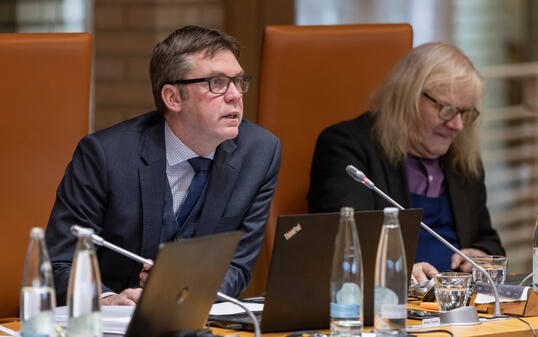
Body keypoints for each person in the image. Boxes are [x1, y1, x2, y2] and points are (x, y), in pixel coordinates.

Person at [45, 25, 281, 305]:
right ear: (172, 97)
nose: (235, 95)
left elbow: (238, 267)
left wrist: (181, 289)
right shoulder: (105, 156)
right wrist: (105, 300)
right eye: (217, 83)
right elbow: (59, 264)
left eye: (238, 81)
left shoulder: (260, 153)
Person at [308, 42, 504, 283]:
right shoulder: (347, 147)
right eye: (447, 110)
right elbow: (346, 243)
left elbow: (487, 237)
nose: (458, 125)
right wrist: (397, 269)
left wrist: (481, 254)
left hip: (463, 305)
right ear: (408, 96)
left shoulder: (460, 156)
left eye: (465, 113)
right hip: (395, 304)